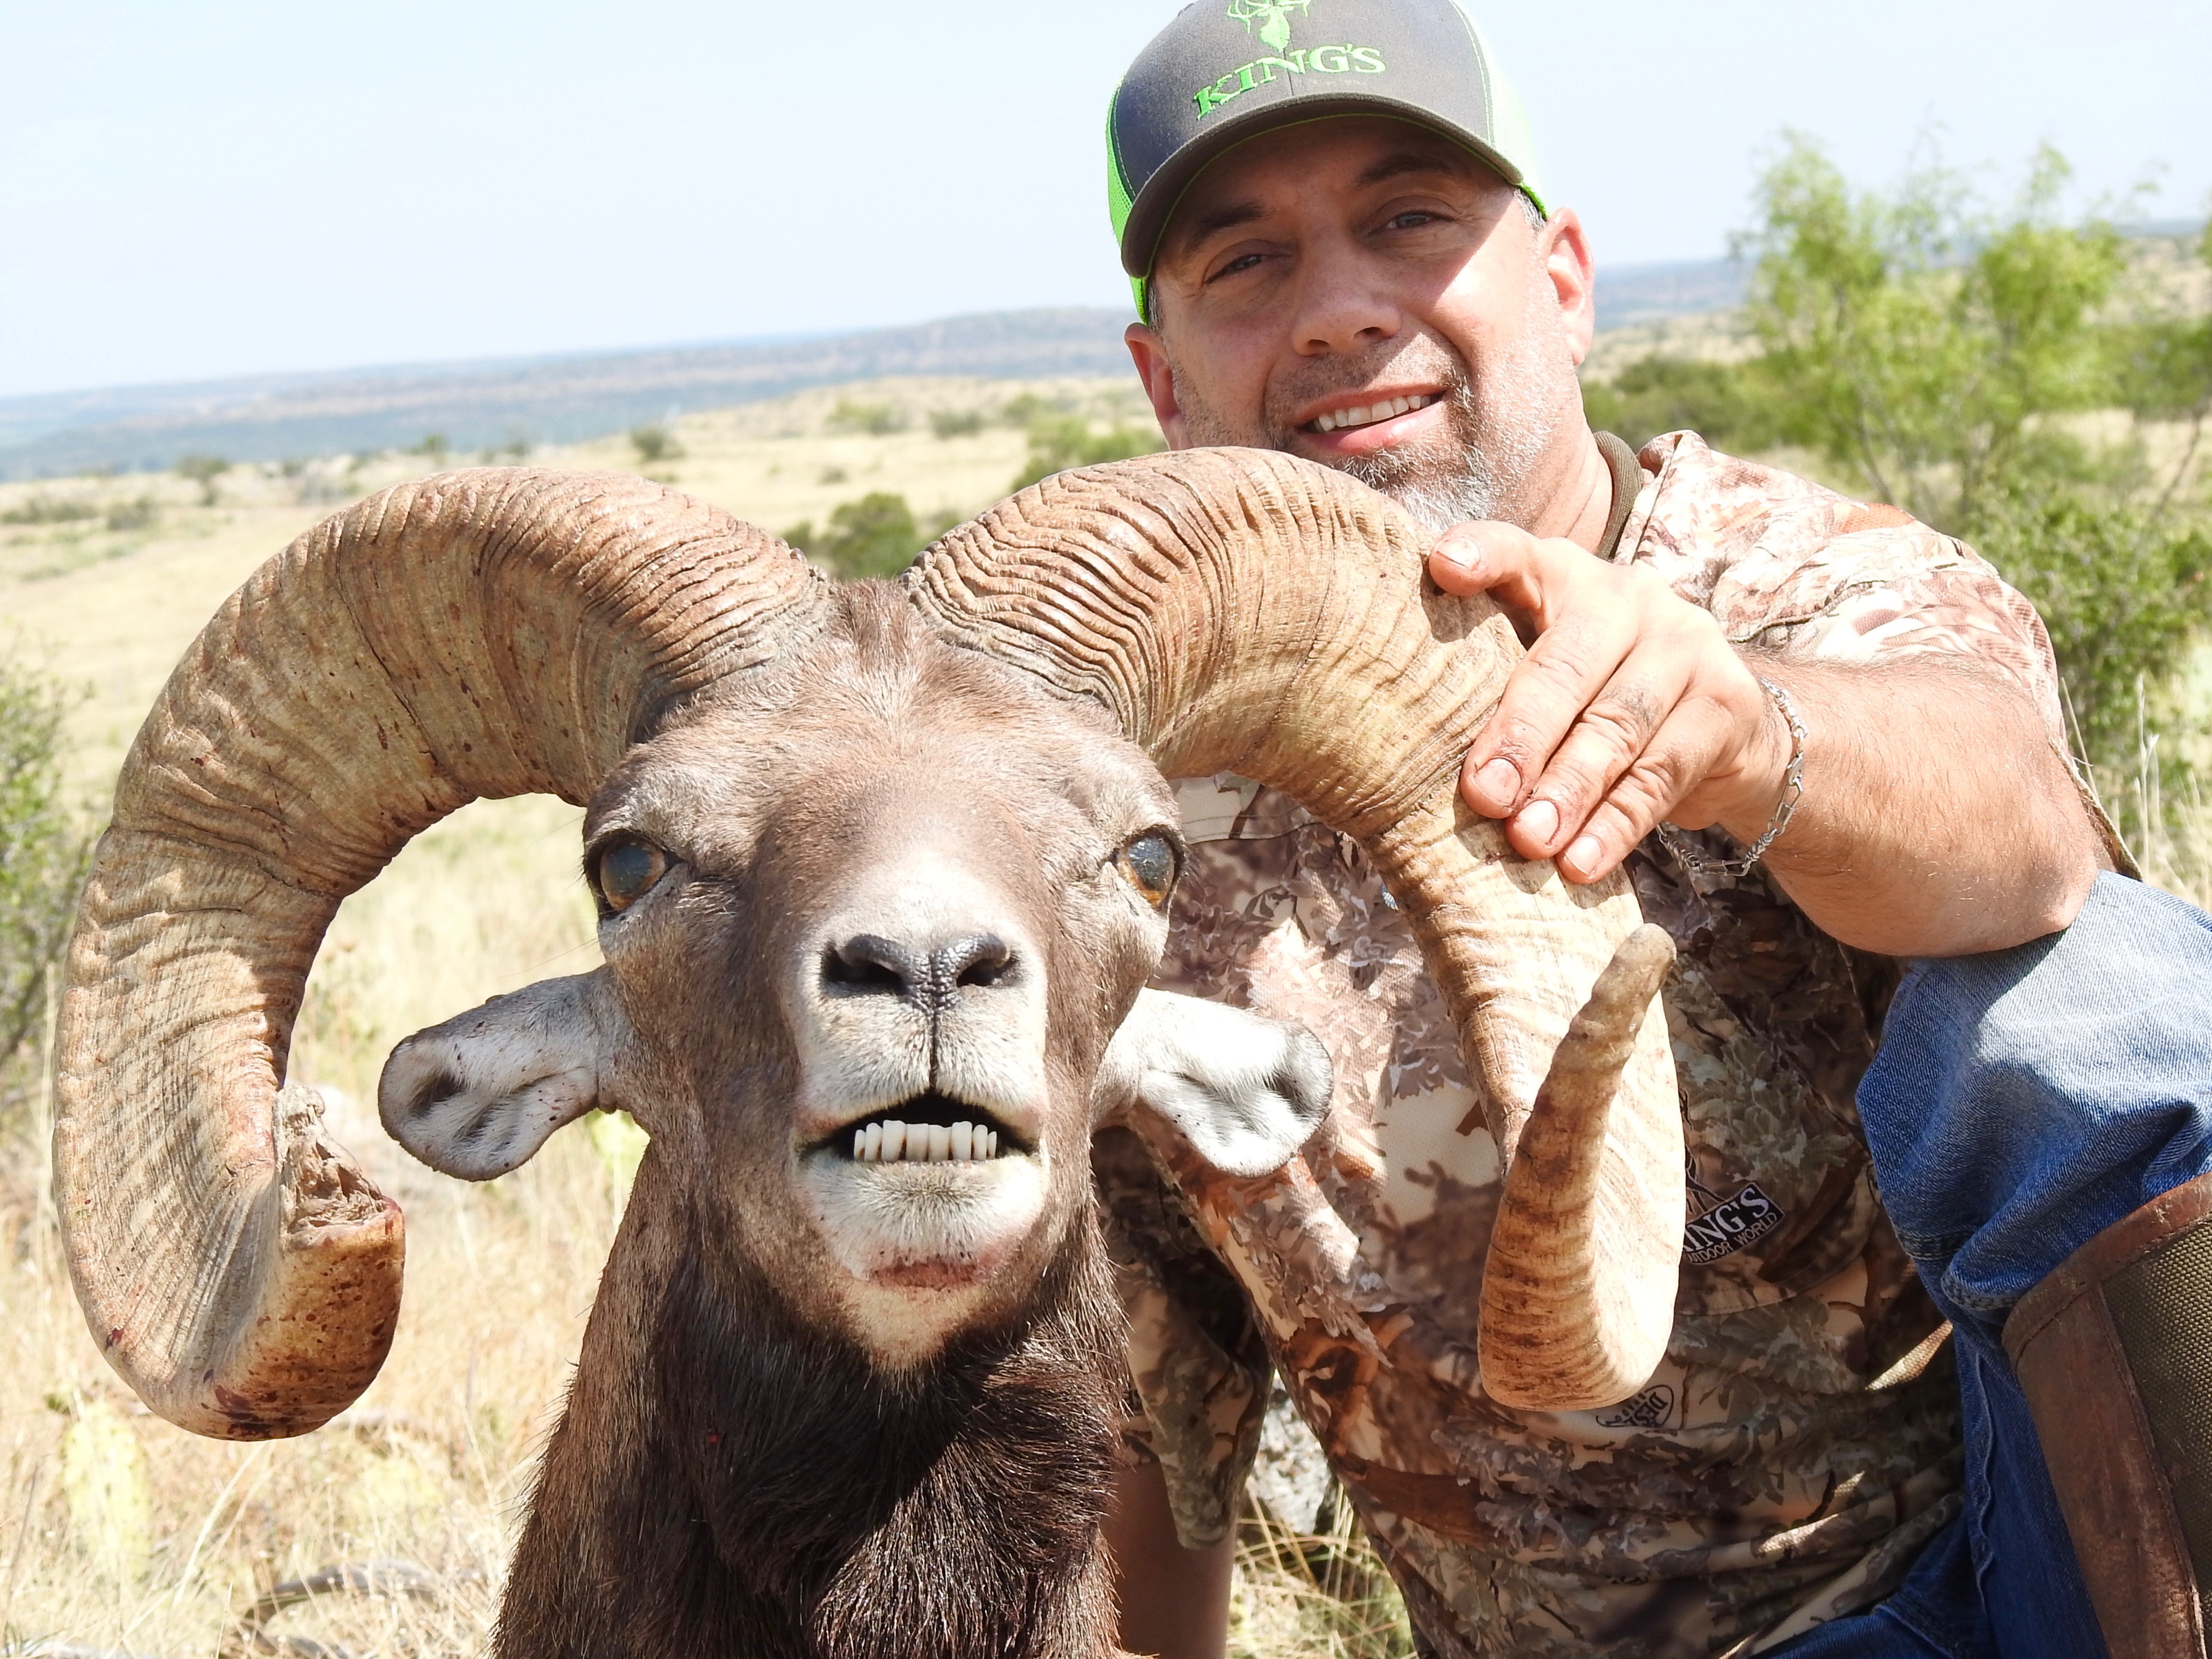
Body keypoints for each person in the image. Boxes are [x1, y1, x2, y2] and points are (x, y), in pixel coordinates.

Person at [1085, 3, 2129, 1655]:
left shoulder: (1788, 586)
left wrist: (1748, 733)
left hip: (1995, 1567)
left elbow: (2029, 835)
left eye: (1409, 220)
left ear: (1561, 282)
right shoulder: (1142, 818)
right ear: (1162, 378)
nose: (1342, 310)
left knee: (2122, 997)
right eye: (1246, 264)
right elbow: (1144, 1441)